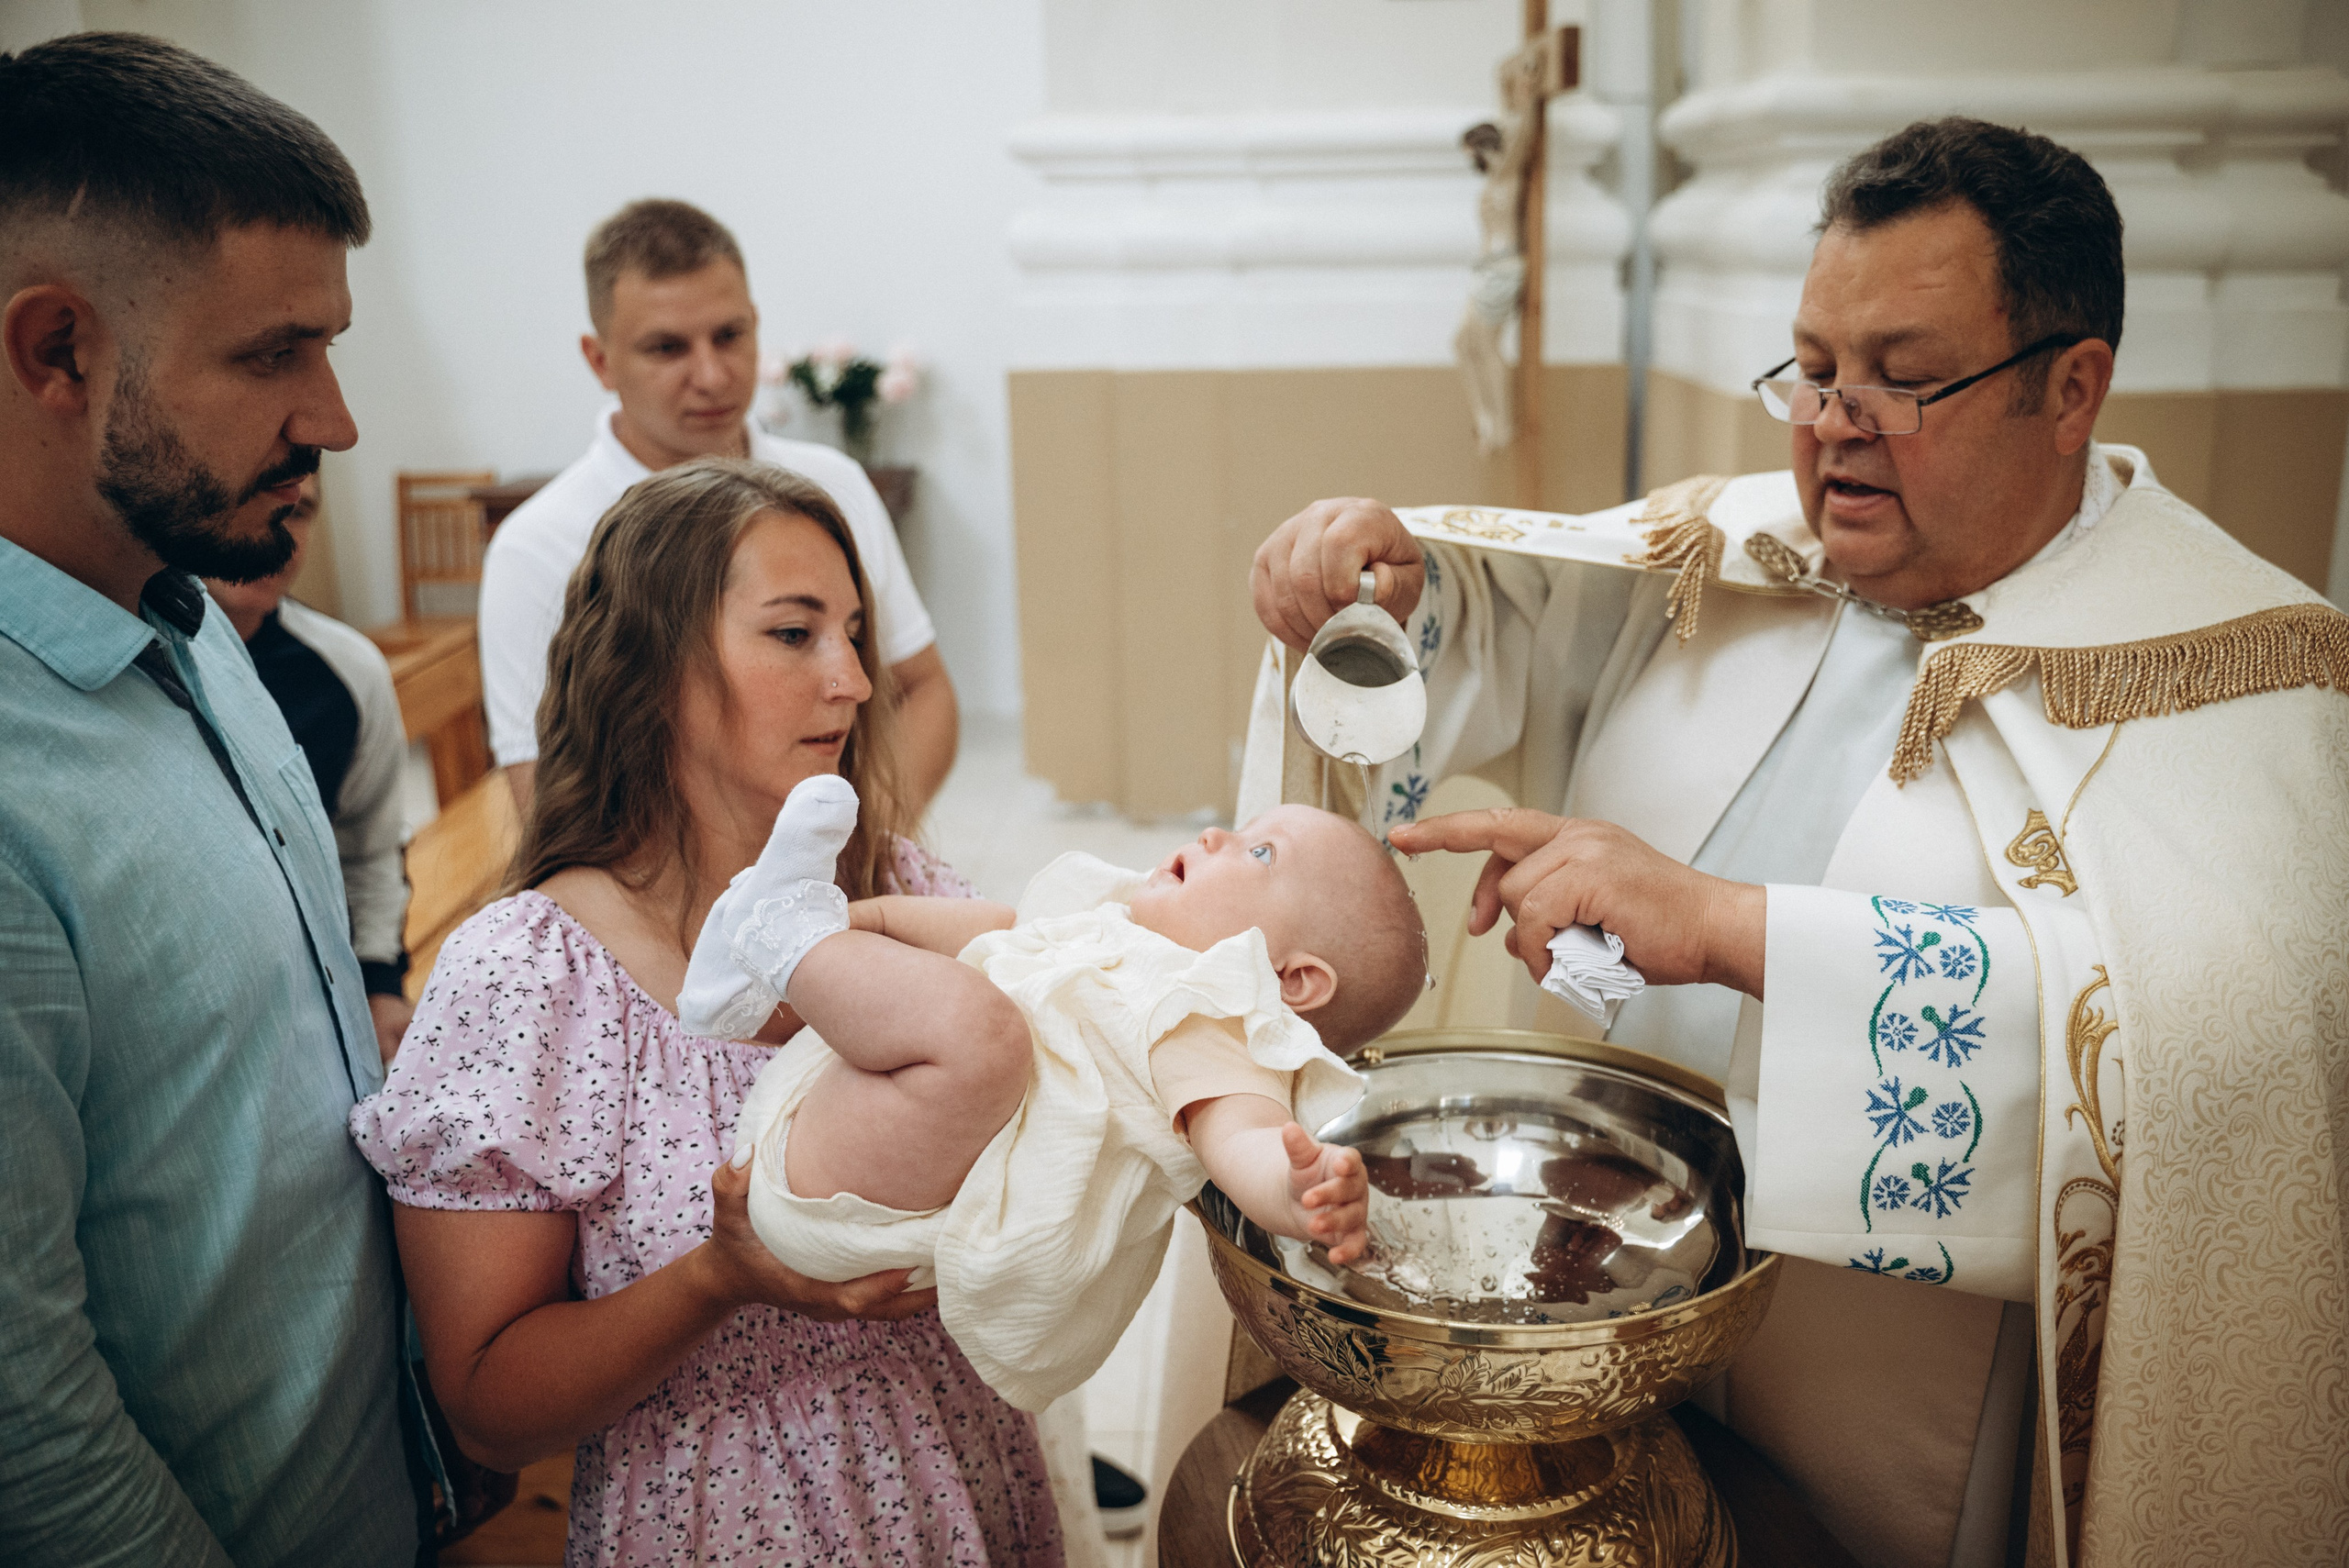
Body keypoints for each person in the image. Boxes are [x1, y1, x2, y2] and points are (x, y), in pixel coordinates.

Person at [1250, 117, 2348, 1567]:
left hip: (1883, 1392)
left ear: (2072, 389)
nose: (1833, 423)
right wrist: (1372, 583)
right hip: (1570, 1299)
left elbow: (2213, 1044)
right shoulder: (1742, 549)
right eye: (1814, 368)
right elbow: (1509, 635)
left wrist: (1730, 931)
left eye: (1904, 381)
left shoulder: (2239, 667)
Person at [352, 459, 1062, 1565]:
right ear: (652, 667)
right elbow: (489, 1399)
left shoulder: (906, 891)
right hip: (713, 1511)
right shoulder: (531, 974)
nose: (856, 681)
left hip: (958, 1478)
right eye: (794, 634)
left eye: (854, 632)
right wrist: (714, 1280)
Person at [0, 31, 423, 1568]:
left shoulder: (186, 614)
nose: (336, 418)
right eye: (273, 354)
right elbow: (26, 1417)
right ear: (59, 352)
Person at [676, 780, 1415, 1410]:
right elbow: (999, 930)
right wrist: (865, 920)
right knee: (981, 971)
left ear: (1291, 980)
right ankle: (793, 939)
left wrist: (1298, 1191)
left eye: (1261, 853)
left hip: (851, 1210)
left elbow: (1242, 1138)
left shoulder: (1210, 1023)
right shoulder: (1120, 928)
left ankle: (783, 937)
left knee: (985, 1031)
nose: (1219, 832)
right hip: (841, 1120)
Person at [479, 197, 956, 814]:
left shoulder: (833, 483)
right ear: (601, 360)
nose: (711, 374)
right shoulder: (538, 546)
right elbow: (544, 789)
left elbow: (922, 688)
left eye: (729, 336)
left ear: (756, 324)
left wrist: (858, 845)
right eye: (668, 348)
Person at [206, 473, 414, 1062]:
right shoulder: (143, 664)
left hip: (321, 993)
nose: (278, 535)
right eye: (248, 501)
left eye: (297, 512)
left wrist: (379, 986)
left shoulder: (348, 669)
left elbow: (370, 847)